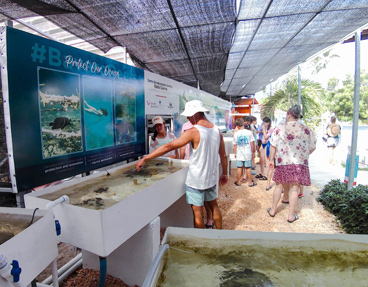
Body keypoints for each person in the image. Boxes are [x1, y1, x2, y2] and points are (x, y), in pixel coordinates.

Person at [136, 100, 228, 229]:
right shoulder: (216, 130)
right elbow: (223, 155)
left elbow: (168, 146)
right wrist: (225, 173)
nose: (188, 119)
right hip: (211, 178)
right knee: (214, 207)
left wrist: (146, 158)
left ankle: (200, 242)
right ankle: (220, 235)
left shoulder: (193, 131)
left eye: (189, 116)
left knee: (197, 213)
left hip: (196, 180)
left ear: (195, 114)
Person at [266, 105, 316, 223]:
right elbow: (313, 147)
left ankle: (273, 210)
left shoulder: (280, 128)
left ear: (288, 114)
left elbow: (273, 145)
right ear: (298, 116)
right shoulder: (307, 129)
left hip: (283, 161)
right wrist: (304, 155)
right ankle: (290, 216)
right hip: (299, 163)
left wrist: (271, 160)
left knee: (279, 185)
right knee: (294, 188)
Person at [180, 120, 214, 229]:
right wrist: (181, 161)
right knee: (203, 200)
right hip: (191, 163)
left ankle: (209, 219)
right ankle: (209, 223)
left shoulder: (206, 125)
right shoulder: (186, 126)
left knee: (205, 200)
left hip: (201, 165)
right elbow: (182, 145)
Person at [233, 118, 256, 187]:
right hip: (248, 152)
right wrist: (253, 151)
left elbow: (235, 145)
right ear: (243, 124)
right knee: (248, 167)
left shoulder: (236, 134)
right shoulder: (249, 132)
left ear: (237, 126)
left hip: (239, 153)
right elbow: (252, 143)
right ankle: (250, 182)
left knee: (239, 167)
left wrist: (235, 153)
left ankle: (239, 181)